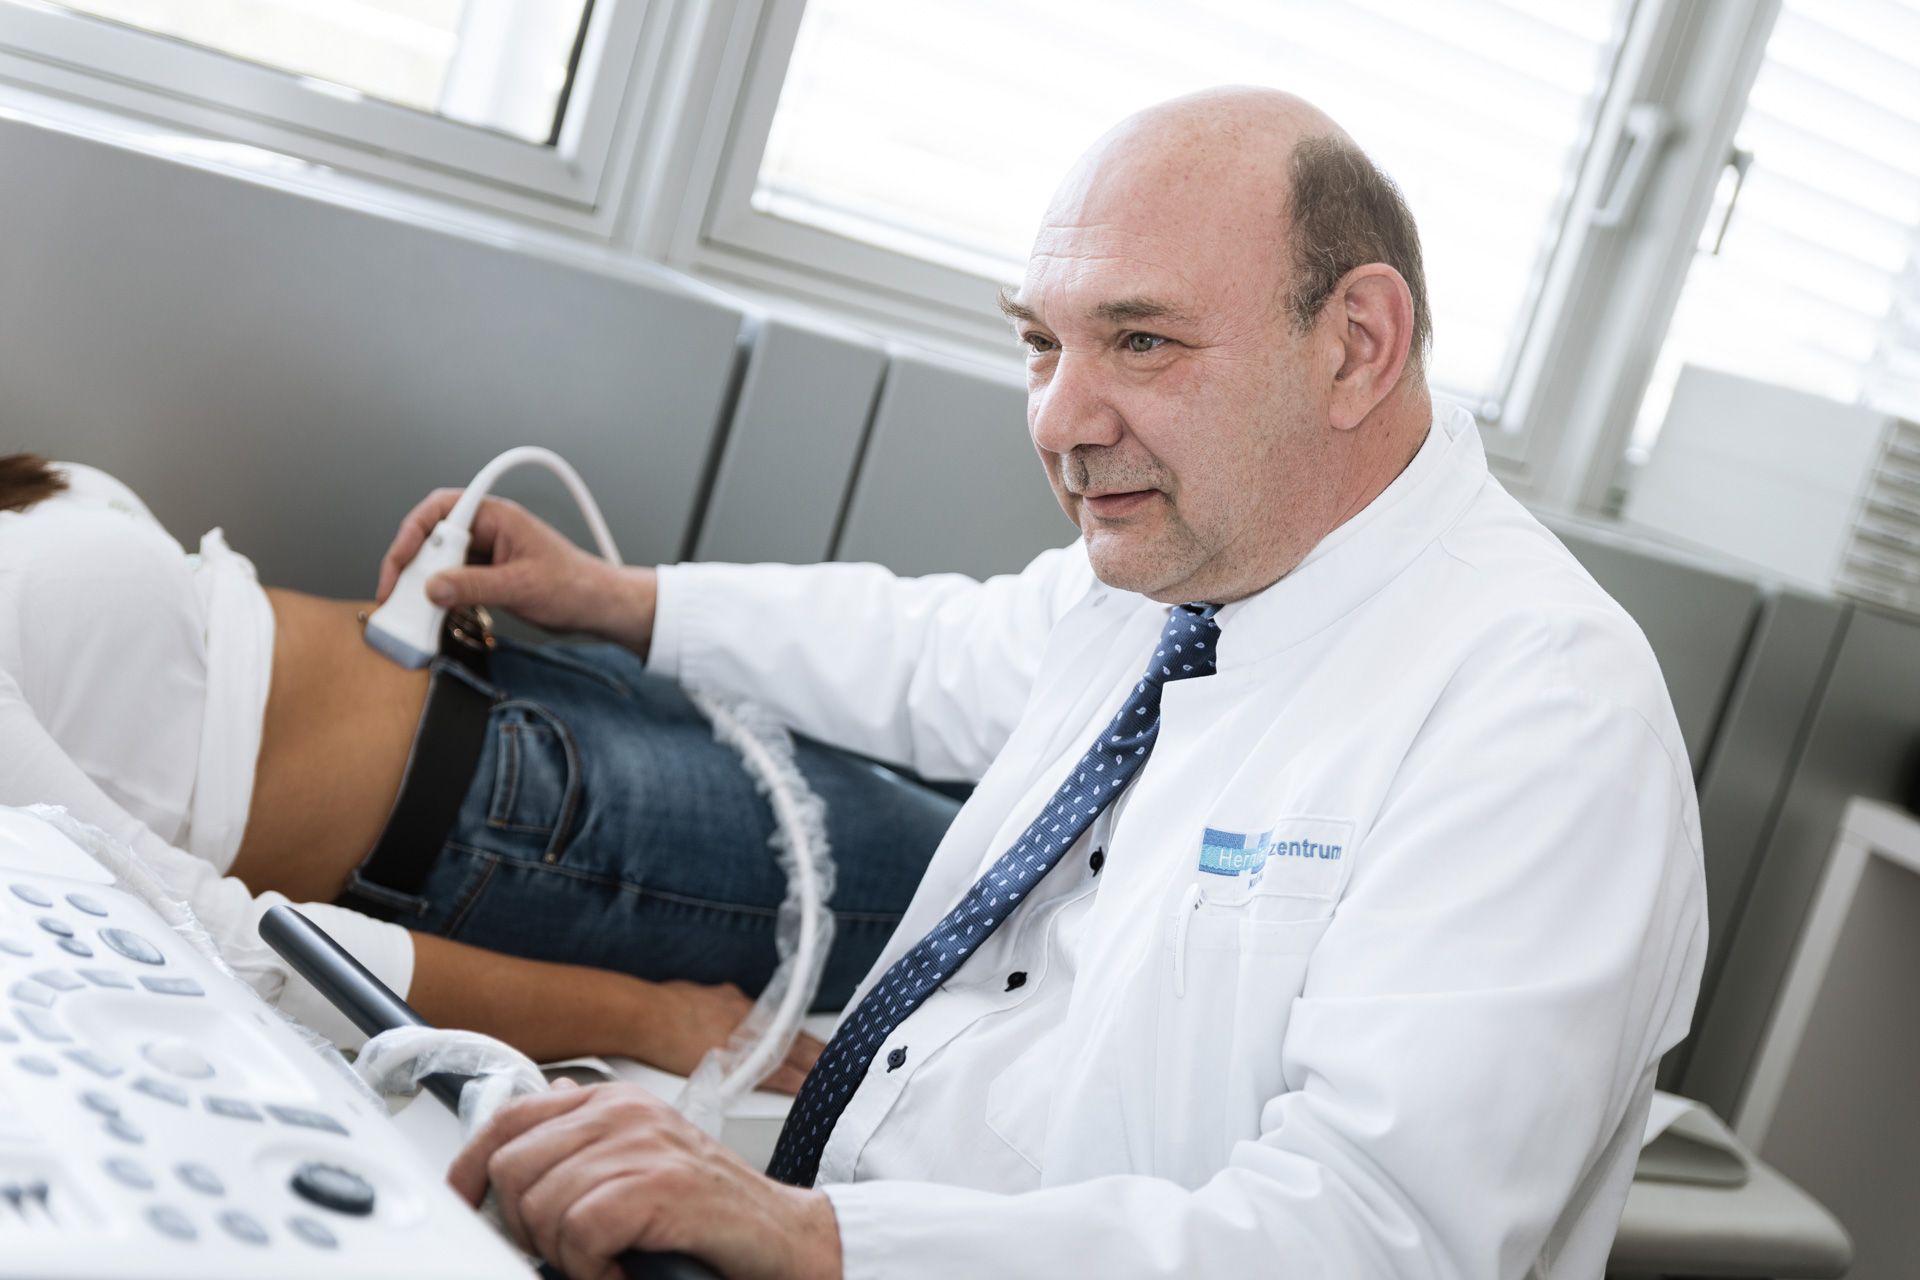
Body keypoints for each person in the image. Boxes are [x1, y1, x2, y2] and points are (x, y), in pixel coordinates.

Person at [416, 88, 1705, 1278]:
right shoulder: (1184, 574)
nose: (1058, 418)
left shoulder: (1544, 713)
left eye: (1141, 340)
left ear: (1357, 344)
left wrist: (815, 1236)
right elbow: (928, 651)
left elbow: (1373, 1233)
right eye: (1041, 341)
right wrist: (621, 599)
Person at [0, 455, 958, 1086]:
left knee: (1021, 781)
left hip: (535, 683)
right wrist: (645, 1018)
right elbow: (230, 949)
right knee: (1002, 890)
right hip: (542, 835)